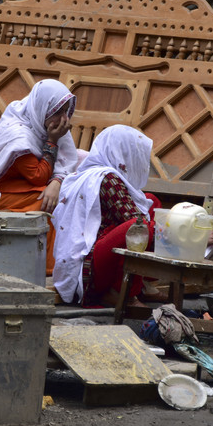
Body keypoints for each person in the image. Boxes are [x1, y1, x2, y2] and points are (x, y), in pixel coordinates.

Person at [0, 79, 78, 274]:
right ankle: (47, 267)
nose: (64, 119)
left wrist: (56, 181)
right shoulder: (20, 135)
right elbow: (38, 176)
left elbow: (69, 159)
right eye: (58, 112)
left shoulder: (45, 121)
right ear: (43, 108)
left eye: (66, 111)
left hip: (23, 186)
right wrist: (53, 141)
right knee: (47, 203)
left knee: (68, 190)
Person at [51, 124, 162, 307]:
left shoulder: (91, 173)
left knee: (150, 201)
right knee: (140, 228)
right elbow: (137, 223)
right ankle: (120, 293)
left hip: (97, 255)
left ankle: (143, 285)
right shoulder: (107, 179)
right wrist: (189, 237)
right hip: (89, 270)